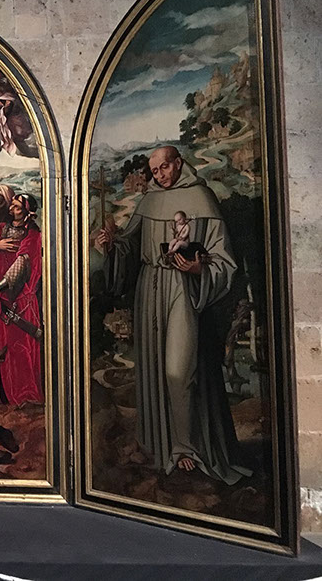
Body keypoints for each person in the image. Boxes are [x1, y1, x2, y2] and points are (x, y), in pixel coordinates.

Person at [96, 145, 249, 484]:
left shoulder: (201, 198)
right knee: (153, 367)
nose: (160, 175)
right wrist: (111, 244)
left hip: (184, 290)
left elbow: (225, 262)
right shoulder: (149, 200)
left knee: (179, 370)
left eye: (164, 167)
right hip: (150, 291)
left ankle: (186, 447)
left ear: (178, 163)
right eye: (155, 171)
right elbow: (129, 246)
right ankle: (161, 446)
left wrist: (198, 270)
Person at [0, 193, 43, 404]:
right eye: (12, 206)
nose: (11, 210)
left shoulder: (32, 235)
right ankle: (4, 394)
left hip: (18, 298)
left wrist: (1, 286)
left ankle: (24, 393)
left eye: (17, 207)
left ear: (27, 213)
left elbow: (23, 262)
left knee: (19, 347)